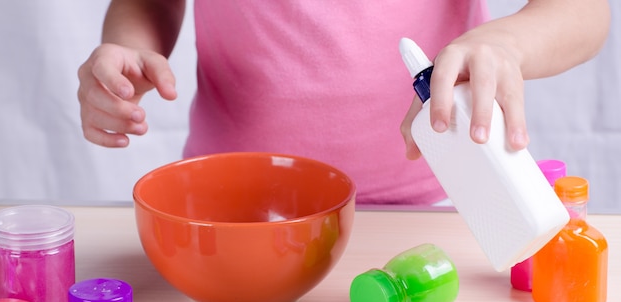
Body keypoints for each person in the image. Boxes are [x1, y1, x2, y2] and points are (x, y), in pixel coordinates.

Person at [77, 0, 610, 205]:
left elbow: (583, 12)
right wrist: (132, 51)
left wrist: (506, 43)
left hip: (439, 203)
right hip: (231, 205)